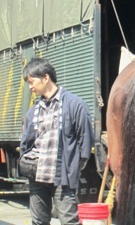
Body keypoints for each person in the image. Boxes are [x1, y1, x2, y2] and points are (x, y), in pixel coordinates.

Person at [19, 58, 94, 225]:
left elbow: (85, 140)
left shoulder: (75, 104)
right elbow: (26, 143)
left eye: (32, 82)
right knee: (39, 221)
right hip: (37, 175)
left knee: (69, 221)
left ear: (46, 78)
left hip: (63, 177)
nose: (30, 87)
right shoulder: (33, 111)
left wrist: (73, 167)